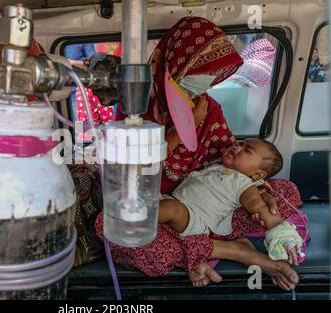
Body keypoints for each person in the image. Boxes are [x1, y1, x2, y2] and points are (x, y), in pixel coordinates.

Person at [95, 16, 310, 291]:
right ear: (177, 63)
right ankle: (235, 251)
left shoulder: (210, 108)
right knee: (111, 225)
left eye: (212, 74)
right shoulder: (134, 106)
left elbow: (232, 162)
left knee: (285, 193)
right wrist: (183, 129)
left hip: (215, 205)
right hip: (163, 207)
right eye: (202, 71)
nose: (206, 82)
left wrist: (258, 188)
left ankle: (202, 251)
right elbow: (133, 173)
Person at [159, 138, 302, 263]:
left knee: (171, 209)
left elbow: (262, 209)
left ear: (257, 174)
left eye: (247, 150)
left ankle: (139, 220)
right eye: (240, 143)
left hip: (194, 219)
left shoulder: (244, 185)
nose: (237, 146)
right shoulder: (218, 166)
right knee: (162, 204)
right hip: (175, 202)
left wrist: (285, 238)